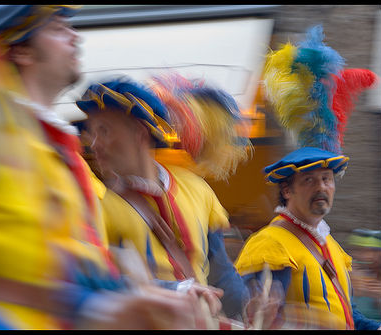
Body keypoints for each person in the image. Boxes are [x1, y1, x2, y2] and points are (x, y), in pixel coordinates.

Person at [0, 4, 205, 330]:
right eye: (57, 27)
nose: (75, 37)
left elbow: (44, 258)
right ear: (23, 51)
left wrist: (106, 304)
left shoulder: (14, 120)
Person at [234, 25, 381, 330]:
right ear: (287, 190)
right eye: (310, 180)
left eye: (327, 178)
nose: (322, 187)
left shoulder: (332, 248)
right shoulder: (269, 245)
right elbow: (260, 319)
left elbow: (350, 316)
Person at [75, 77, 251, 321]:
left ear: (139, 133)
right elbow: (105, 284)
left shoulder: (197, 189)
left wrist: (249, 308)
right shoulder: (99, 207)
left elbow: (221, 275)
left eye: (103, 131)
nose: (93, 144)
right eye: (91, 134)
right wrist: (177, 292)